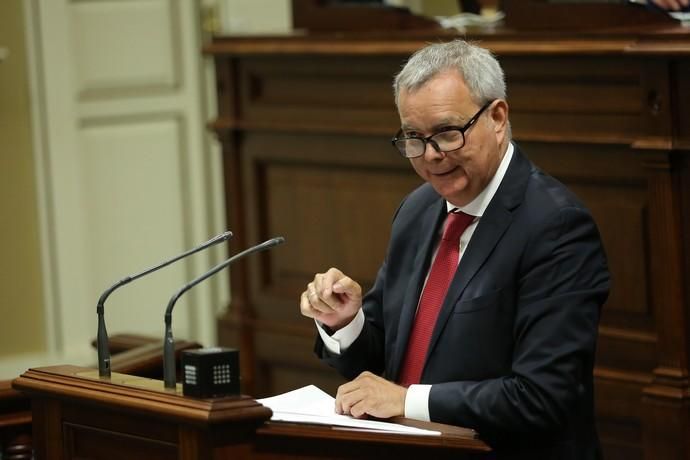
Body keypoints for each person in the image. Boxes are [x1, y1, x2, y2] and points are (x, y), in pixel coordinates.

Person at [299, 40, 610, 459]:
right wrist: (346, 321)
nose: (431, 157)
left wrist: (405, 401)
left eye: (447, 134)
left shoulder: (556, 226)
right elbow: (384, 360)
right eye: (413, 137)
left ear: (497, 118)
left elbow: (542, 396)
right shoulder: (418, 210)